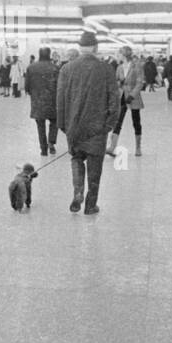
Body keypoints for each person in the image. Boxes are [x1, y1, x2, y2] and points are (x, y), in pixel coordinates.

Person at [56, 32, 120, 214]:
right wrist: (109, 124)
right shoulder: (106, 69)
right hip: (97, 127)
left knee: (76, 158)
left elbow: (60, 101)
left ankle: (77, 192)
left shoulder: (66, 69)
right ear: (96, 47)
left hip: (74, 126)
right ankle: (90, 205)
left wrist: (63, 125)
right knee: (95, 166)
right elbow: (114, 100)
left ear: (80, 47)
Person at [108, 45, 145, 157]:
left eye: (119, 54)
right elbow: (116, 81)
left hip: (133, 98)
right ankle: (112, 147)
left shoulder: (137, 66)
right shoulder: (119, 67)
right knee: (118, 121)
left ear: (124, 55)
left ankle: (138, 147)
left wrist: (132, 95)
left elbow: (140, 83)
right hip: (122, 97)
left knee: (136, 122)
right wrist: (120, 82)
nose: (118, 56)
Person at [25, 46, 60, 156]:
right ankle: (51, 142)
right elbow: (59, 85)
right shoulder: (55, 68)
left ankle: (43, 149)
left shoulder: (31, 67)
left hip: (37, 101)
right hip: (52, 101)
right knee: (54, 122)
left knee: (40, 126)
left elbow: (27, 86)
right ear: (49, 54)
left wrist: (33, 94)